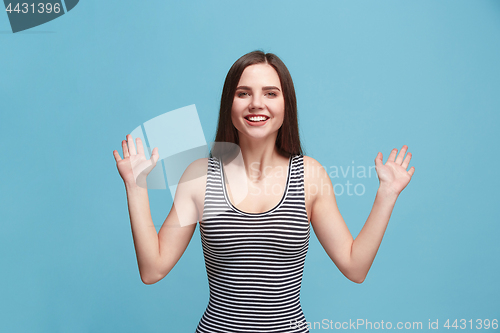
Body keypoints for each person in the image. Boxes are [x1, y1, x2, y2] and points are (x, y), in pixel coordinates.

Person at [112, 50, 415, 332]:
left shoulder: (309, 175)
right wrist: (135, 185)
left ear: (287, 104)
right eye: (243, 93)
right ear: (229, 103)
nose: (256, 103)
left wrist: (387, 194)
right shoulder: (201, 177)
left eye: (271, 93)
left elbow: (354, 267)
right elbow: (152, 270)